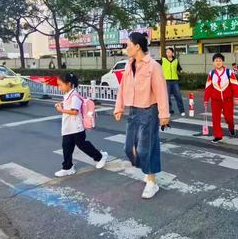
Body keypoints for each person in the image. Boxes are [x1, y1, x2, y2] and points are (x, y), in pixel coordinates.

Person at [114, 32, 169, 199]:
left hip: (149, 111)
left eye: (128, 45)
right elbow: (122, 87)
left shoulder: (153, 66)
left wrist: (164, 114)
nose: (126, 48)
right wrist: (119, 107)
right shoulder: (129, 65)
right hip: (134, 111)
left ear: (137, 46)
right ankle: (147, 168)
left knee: (146, 148)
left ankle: (151, 181)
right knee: (128, 148)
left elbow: (161, 91)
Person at [54, 73, 108, 177]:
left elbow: (75, 111)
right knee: (66, 147)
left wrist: (61, 110)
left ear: (69, 84)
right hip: (68, 127)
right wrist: (61, 104)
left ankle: (100, 157)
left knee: (83, 145)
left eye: (60, 85)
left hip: (76, 127)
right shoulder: (68, 94)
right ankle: (67, 167)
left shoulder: (74, 96)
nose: (59, 87)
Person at [204, 53, 238, 143]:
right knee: (215, 118)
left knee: (229, 118)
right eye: (216, 61)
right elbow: (208, 87)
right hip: (215, 101)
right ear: (213, 63)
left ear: (222, 62)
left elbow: (235, 85)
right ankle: (218, 135)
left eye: (220, 60)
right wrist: (206, 99)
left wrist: (236, 97)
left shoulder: (229, 72)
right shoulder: (211, 73)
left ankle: (231, 127)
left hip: (227, 100)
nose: (218, 62)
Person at [161, 48, 185, 116]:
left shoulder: (176, 60)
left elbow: (179, 68)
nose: (168, 53)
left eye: (169, 52)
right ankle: (169, 110)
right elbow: (157, 66)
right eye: (167, 52)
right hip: (166, 80)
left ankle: (182, 110)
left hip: (175, 80)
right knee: (167, 97)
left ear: (172, 53)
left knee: (178, 96)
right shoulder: (163, 60)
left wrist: (181, 71)